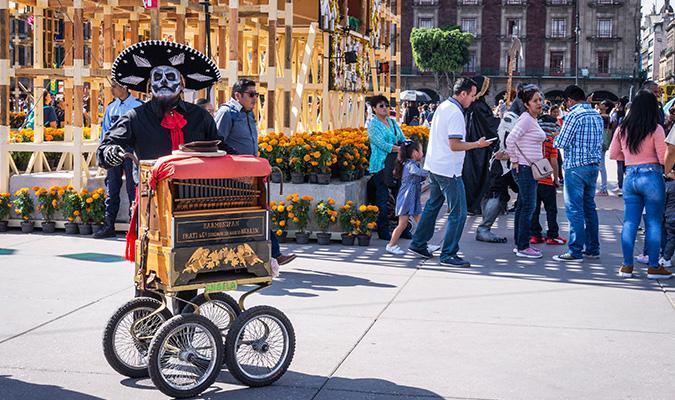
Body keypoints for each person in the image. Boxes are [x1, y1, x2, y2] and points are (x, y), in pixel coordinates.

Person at [97, 41, 225, 311]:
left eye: (170, 77)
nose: (164, 82)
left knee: (188, 277)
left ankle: (186, 337)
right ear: (148, 85)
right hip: (151, 210)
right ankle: (147, 338)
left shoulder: (201, 118)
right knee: (149, 279)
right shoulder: (135, 117)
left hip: (193, 208)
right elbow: (108, 145)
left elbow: (222, 151)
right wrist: (110, 152)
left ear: (181, 84)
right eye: (158, 77)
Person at [408, 78, 491, 266]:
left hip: (435, 165)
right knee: (459, 212)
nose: (473, 99)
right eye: (471, 95)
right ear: (462, 94)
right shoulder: (455, 113)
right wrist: (477, 145)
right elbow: (455, 145)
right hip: (448, 169)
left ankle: (418, 242)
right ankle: (448, 254)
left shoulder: (444, 106)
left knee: (433, 205)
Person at [215, 79, 296, 267]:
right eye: (251, 94)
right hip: (233, 175)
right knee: (243, 216)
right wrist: (238, 157)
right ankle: (269, 254)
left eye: (256, 95)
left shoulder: (248, 113)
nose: (254, 99)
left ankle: (271, 254)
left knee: (259, 213)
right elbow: (217, 141)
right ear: (238, 95)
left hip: (251, 173)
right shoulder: (227, 113)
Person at [609, 90, 671, 280]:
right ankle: (653, 267)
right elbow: (663, 158)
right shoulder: (656, 128)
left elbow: (613, 154)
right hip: (652, 176)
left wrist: (629, 159)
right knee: (653, 222)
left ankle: (627, 266)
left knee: (630, 222)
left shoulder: (623, 128)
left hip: (630, 177)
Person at [553, 85, 604, 261]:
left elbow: (561, 142)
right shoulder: (596, 115)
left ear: (570, 100)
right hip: (593, 166)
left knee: (574, 210)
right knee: (590, 208)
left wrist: (555, 136)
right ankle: (592, 249)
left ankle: (575, 250)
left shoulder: (574, 115)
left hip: (575, 167)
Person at [93, 80, 144, 239]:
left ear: (125, 87)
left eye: (114, 86)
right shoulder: (111, 107)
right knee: (112, 188)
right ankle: (109, 225)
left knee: (132, 188)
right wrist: (103, 154)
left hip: (130, 151)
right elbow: (105, 132)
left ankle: (133, 226)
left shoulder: (138, 105)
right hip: (113, 151)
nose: (112, 89)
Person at [505, 86, 547, 258]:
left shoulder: (531, 119)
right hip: (525, 168)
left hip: (528, 168)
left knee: (523, 206)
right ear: (526, 104)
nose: (540, 103)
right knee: (528, 206)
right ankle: (523, 246)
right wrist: (514, 160)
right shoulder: (527, 120)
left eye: (540, 100)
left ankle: (520, 244)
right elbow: (510, 139)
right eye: (535, 100)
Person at [475, 96, 521, 244]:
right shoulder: (512, 118)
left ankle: (532, 229)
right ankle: (484, 229)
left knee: (501, 193)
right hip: (503, 163)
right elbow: (506, 142)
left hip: (508, 162)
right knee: (496, 193)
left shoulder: (515, 118)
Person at [366, 94, 406, 241]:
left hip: (395, 166)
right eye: (381, 106)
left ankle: (403, 228)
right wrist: (400, 149)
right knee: (382, 200)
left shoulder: (392, 122)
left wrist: (408, 145)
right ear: (374, 109)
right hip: (380, 166)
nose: (384, 108)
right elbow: (382, 145)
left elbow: (402, 138)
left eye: (386, 105)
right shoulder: (373, 125)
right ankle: (383, 231)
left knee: (401, 198)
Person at [462, 75, 500, 215]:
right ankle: (474, 204)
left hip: (475, 144)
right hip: (480, 146)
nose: (488, 89)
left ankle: (472, 204)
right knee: (478, 175)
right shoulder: (479, 106)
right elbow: (490, 125)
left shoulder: (475, 104)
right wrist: (502, 124)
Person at [530, 106, 566, 246]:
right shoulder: (551, 142)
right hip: (547, 182)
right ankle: (552, 235)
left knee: (535, 209)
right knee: (551, 210)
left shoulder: (534, 141)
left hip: (534, 180)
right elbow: (554, 162)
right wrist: (556, 179)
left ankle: (535, 235)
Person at [386, 140, 428, 255]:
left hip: (412, 198)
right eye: (421, 150)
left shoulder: (414, 164)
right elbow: (417, 172)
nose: (422, 153)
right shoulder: (410, 165)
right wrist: (430, 172)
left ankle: (423, 244)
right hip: (406, 199)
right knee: (402, 224)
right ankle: (391, 245)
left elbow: (419, 177)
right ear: (414, 153)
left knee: (421, 223)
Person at [597, 99, 614, 196]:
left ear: (606, 107)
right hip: (603, 142)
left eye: (602, 104)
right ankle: (603, 188)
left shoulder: (602, 117)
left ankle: (604, 189)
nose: (600, 105)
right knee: (601, 166)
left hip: (599, 142)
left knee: (601, 166)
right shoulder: (608, 117)